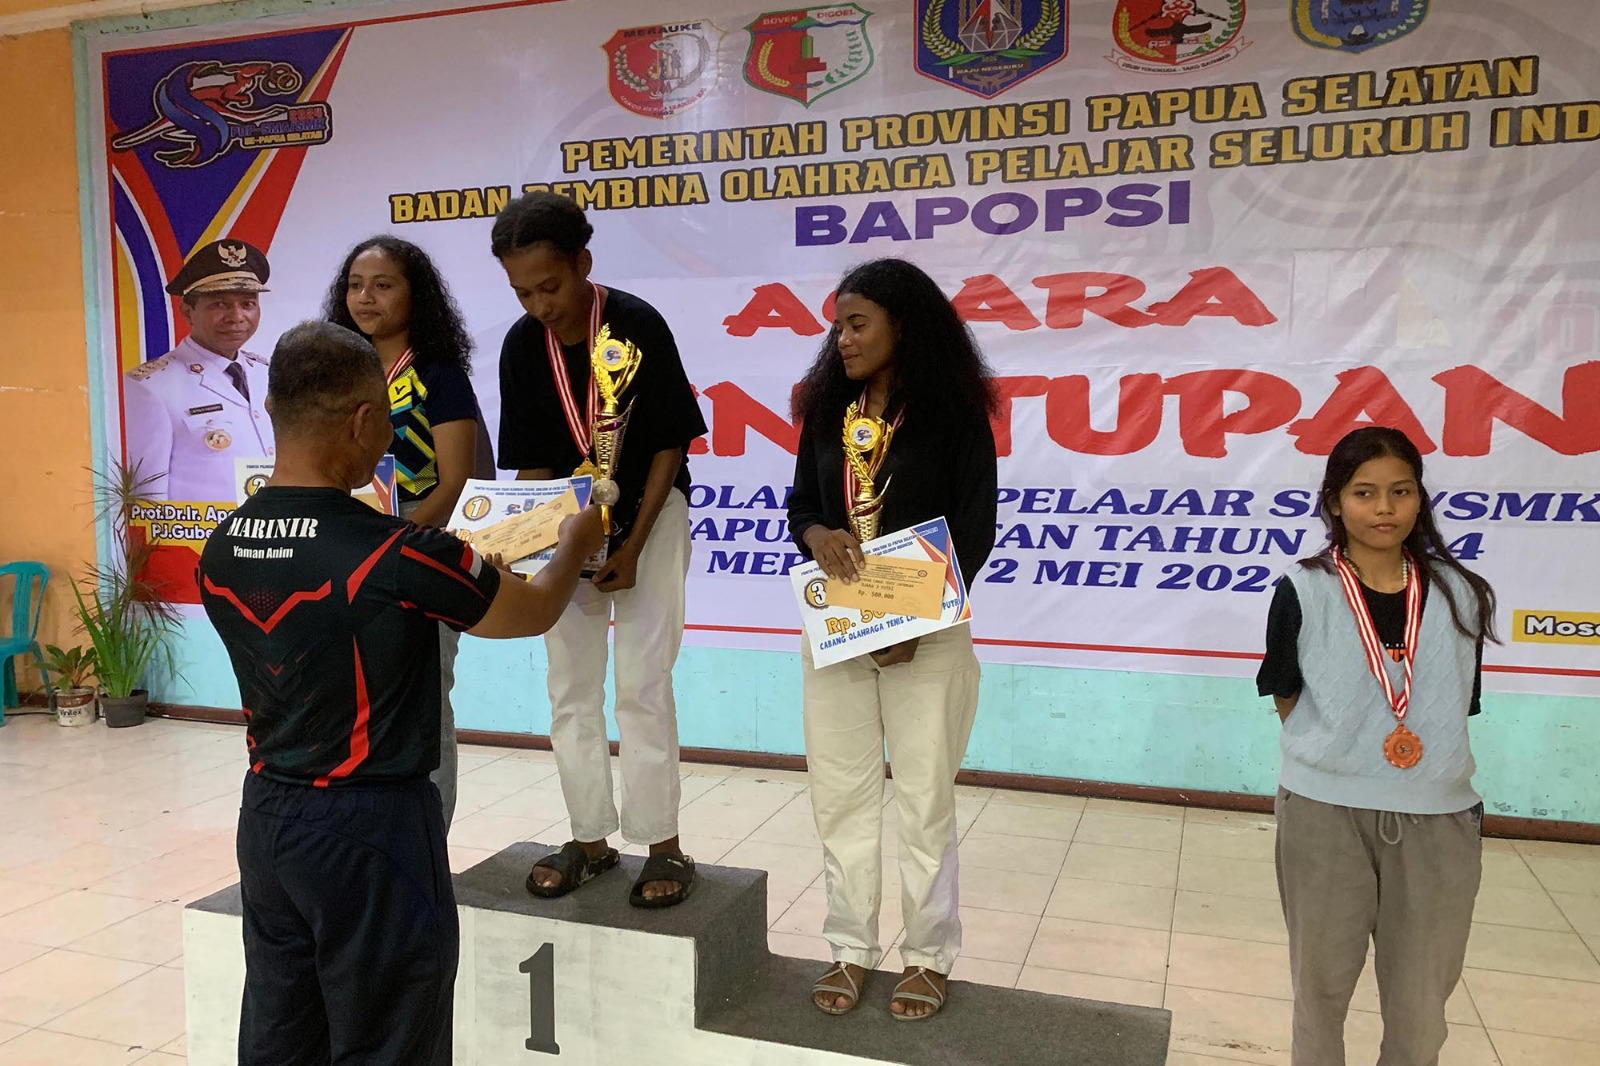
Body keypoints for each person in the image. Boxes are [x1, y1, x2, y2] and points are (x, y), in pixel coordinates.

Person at [198, 320, 604, 1065]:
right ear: (362, 421)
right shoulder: (399, 552)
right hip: (373, 829)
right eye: (386, 418)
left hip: (267, 818)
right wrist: (575, 540)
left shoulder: (222, 546)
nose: (388, 436)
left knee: (282, 1031)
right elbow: (533, 611)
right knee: (390, 1040)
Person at [787, 258, 999, 1020]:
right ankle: (849, 946)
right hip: (840, 629)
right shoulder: (826, 409)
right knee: (840, 797)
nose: (841, 339)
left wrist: (918, 620)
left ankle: (928, 956)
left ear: (902, 326)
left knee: (923, 801)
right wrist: (817, 535)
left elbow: (975, 528)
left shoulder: (954, 413)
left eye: (857, 324)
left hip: (929, 637)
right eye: (838, 326)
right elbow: (800, 505)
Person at [491, 191, 708, 907]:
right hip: (567, 529)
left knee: (642, 685)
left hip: (651, 516)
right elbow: (530, 463)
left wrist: (635, 545)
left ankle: (663, 843)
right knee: (570, 687)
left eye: (550, 286)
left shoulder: (636, 322)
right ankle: (589, 839)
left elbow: (671, 444)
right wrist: (520, 544)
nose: (539, 305)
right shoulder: (523, 345)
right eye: (522, 292)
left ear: (583, 263)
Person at [1257, 426, 1495, 1066]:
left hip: (1437, 820)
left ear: (1420, 499)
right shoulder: (1303, 588)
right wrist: (1344, 753)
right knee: (1320, 992)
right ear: (1335, 501)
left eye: (1401, 491)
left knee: (1421, 1006)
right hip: (1323, 814)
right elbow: (1287, 695)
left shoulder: (1461, 593)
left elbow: (1459, 704)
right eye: (1364, 493)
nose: (1384, 508)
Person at [324, 234, 494, 828]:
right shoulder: (335, 372)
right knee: (346, 698)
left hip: (416, 550)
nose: (365, 297)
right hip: (341, 552)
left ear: (415, 295)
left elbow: (457, 482)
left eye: (383, 285)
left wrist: (386, 542)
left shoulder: (437, 373)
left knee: (422, 700)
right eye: (355, 285)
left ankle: (428, 841)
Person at [124, 239, 276, 501]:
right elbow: (147, 499)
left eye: (247, 304)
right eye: (219, 304)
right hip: (205, 529)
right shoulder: (151, 387)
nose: (237, 317)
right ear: (188, 312)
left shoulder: (269, 374)